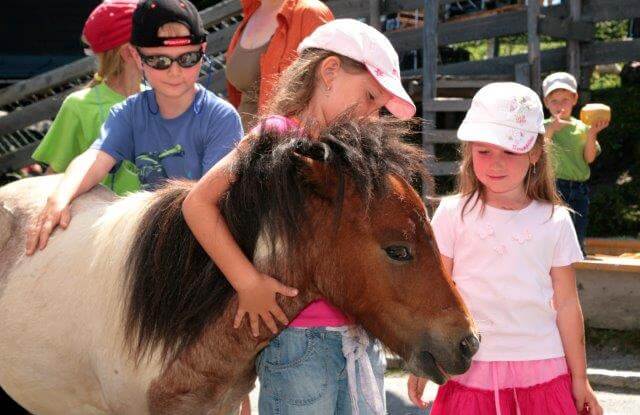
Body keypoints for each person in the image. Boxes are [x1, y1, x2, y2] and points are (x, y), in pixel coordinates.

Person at [183, 19, 416, 414]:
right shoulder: (276, 136)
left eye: (380, 108)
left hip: (360, 340)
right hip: (298, 340)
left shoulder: (355, 163)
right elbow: (199, 203)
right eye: (370, 97)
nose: (372, 117)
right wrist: (247, 282)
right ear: (330, 72)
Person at [407, 82, 603, 415]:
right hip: (468, 368)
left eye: (510, 151)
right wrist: (423, 358)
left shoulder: (555, 220)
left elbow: (568, 304)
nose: (496, 163)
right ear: (470, 151)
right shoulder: (452, 214)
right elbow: (434, 293)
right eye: (484, 151)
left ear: (535, 152)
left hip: (544, 369)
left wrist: (580, 378)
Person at [26, 0, 243, 255]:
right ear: (137, 57)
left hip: (200, 245)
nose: (175, 71)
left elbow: (210, 203)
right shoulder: (128, 113)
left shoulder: (221, 117)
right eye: (159, 60)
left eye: (187, 58)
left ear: (202, 51)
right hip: (150, 240)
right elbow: (95, 158)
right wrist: (61, 196)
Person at [32, 0, 142, 194]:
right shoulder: (78, 106)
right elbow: (53, 179)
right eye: (152, 39)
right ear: (128, 51)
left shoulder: (160, 99)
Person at [225, 0, 333, 130]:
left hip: (286, 139)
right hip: (242, 137)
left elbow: (329, 91)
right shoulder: (251, 14)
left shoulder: (310, 13)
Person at [542, 72, 608, 253]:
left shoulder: (583, 127)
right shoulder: (543, 126)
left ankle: (578, 259)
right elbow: (538, 153)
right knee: (553, 229)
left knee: (578, 228)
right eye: (554, 101)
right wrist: (551, 130)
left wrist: (592, 134)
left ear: (574, 99)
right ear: (546, 102)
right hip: (552, 187)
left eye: (565, 100)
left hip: (579, 188)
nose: (559, 105)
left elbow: (589, 158)